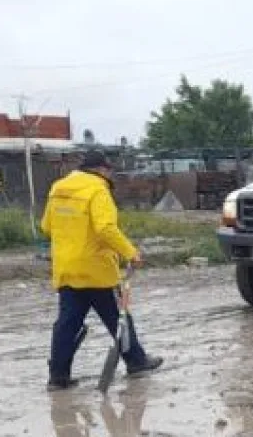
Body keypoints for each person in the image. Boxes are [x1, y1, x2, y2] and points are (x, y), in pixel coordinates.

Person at [41, 150, 163, 391]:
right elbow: (105, 228)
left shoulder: (58, 187)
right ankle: (136, 362)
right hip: (96, 271)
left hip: (66, 269)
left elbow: (46, 226)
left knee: (66, 324)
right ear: (101, 169)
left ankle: (58, 377)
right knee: (119, 318)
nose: (110, 175)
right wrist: (131, 253)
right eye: (109, 170)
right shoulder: (98, 189)